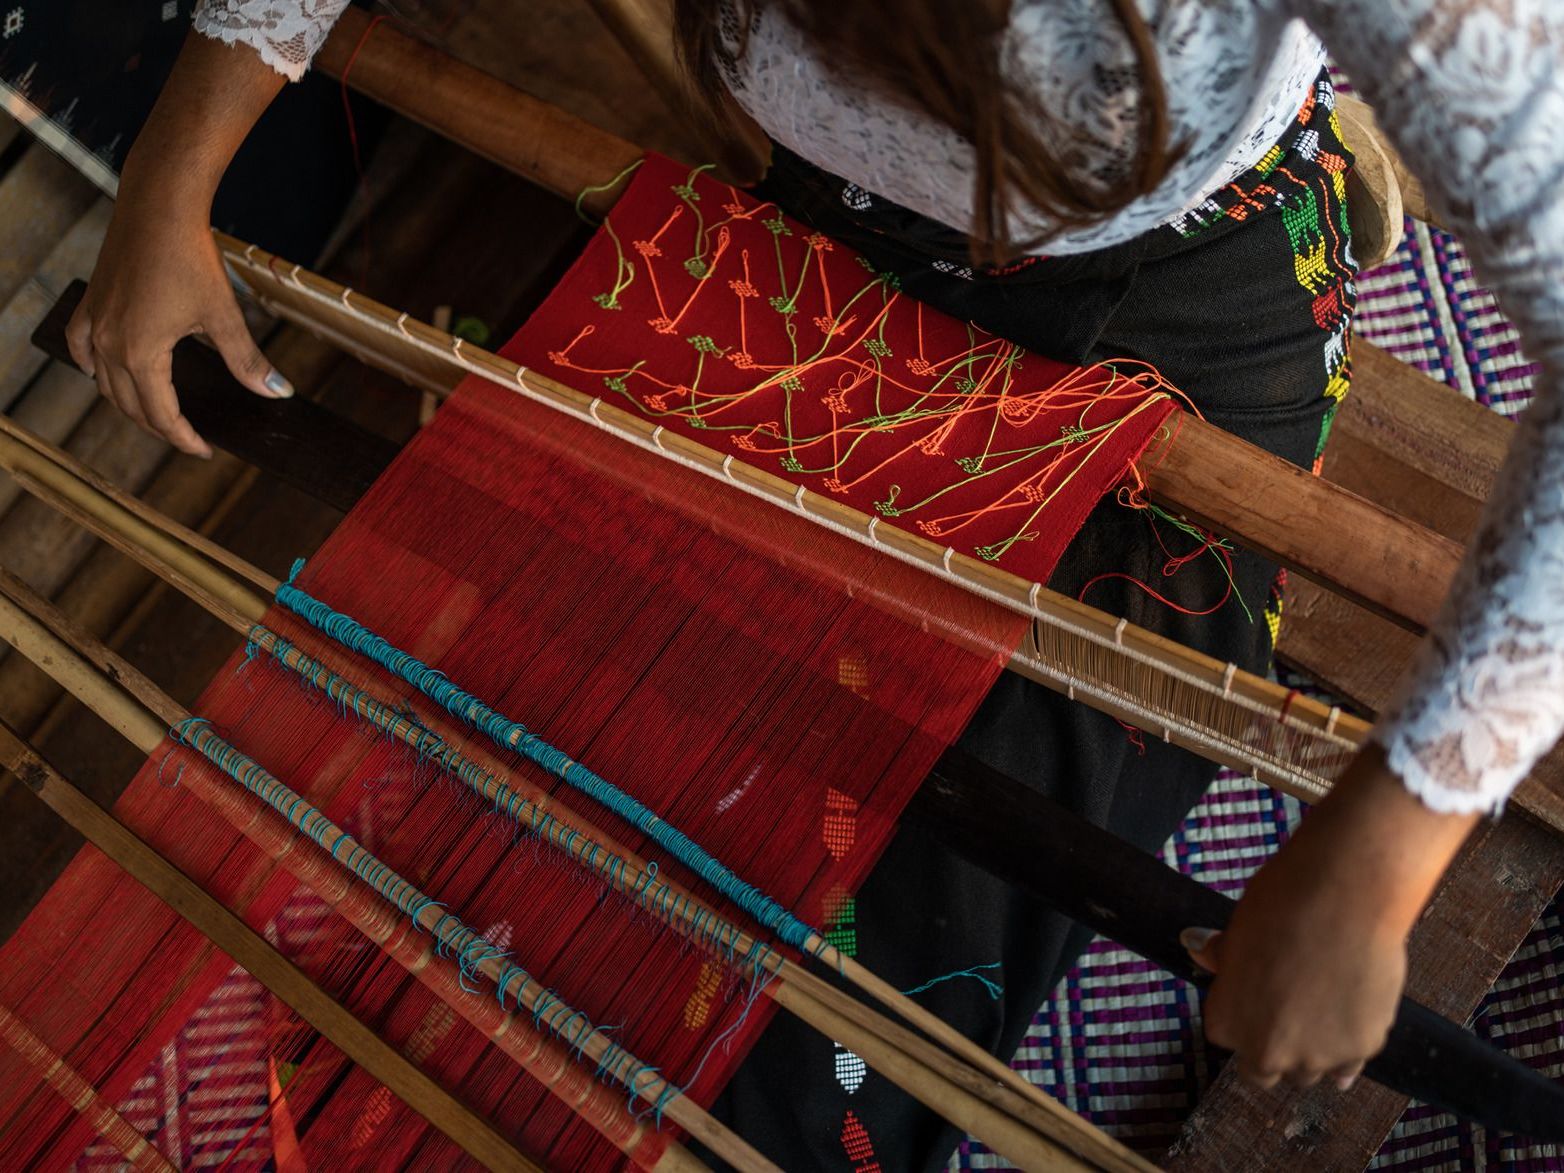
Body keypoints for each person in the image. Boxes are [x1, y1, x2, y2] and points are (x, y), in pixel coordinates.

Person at [67, 0, 1563, 1166]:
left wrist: (1383, 850)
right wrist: (176, 167)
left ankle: (1294, 126)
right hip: (834, 233)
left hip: (1165, 305)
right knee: (535, 811)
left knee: (826, 1058)